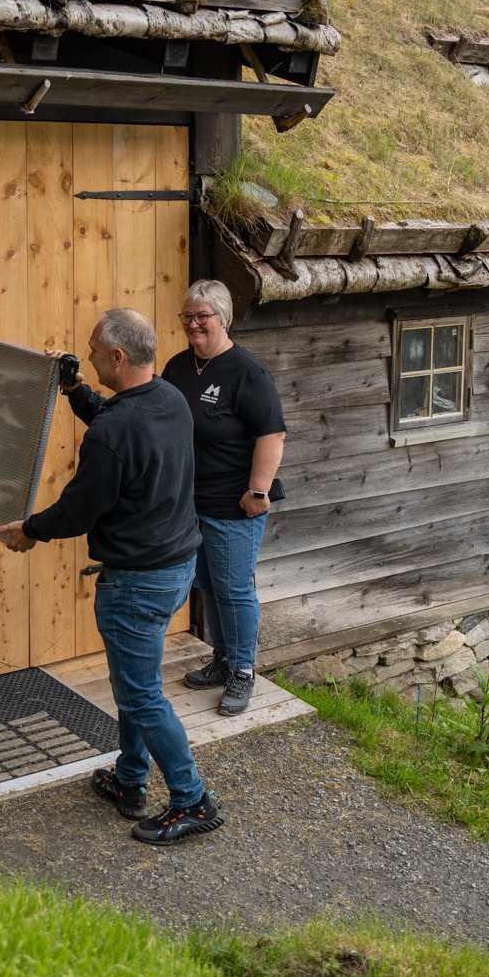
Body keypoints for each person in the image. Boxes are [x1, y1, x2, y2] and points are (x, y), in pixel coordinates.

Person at [0, 309, 222, 846]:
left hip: (137, 582)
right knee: (132, 682)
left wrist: (30, 530)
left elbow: (78, 509)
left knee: (140, 695)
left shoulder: (115, 433)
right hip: (175, 566)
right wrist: (74, 387)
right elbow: (115, 425)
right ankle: (129, 781)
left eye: (94, 350)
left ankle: (193, 800)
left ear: (119, 357)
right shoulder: (168, 398)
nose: (90, 354)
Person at [160, 280, 286, 716]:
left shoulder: (247, 372)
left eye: (203, 317)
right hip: (194, 502)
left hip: (236, 503)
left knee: (234, 588)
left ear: (224, 319)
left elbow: (272, 434)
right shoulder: (177, 367)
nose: (193, 325)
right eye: (187, 317)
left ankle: (244, 672)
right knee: (208, 585)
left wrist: (257, 492)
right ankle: (224, 659)